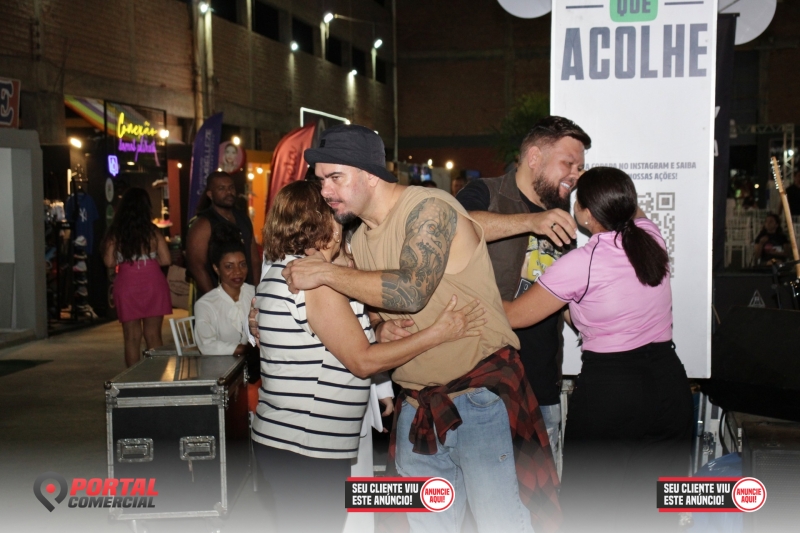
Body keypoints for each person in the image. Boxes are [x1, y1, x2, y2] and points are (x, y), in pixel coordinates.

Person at [281, 124, 561, 533]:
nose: (325, 191)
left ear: (370, 174)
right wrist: (379, 325)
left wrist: (325, 273)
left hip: (478, 398)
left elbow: (410, 289)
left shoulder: (429, 208)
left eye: (335, 177)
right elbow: (374, 304)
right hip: (417, 407)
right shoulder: (361, 239)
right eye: (321, 180)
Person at [253, 180, 486, 533]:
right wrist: (437, 333)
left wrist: (378, 331)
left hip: (284, 439)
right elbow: (362, 361)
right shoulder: (315, 283)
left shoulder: (278, 272)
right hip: (306, 445)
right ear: (328, 225)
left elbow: (321, 342)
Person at [503, 167, 693, 533]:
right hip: (669, 382)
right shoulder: (652, 238)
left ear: (586, 215)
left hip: (612, 390)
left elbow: (514, 316)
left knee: (591, 507)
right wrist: (609, 189)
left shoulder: (580, 262)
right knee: (654, 508)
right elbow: (632, 211)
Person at [456, 116, 591, 468]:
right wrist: (530, 222)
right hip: (482, 388)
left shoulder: (561, 215)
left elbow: (561, 298)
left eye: (579, 167)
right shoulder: (486, 192)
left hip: (542, 387)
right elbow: (454, 227)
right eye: (568, 163)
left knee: (540, 498)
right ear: (534, 158)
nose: (575, 174)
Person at [102, 188, 172, 367]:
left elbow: (109, 261)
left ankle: (134, 378)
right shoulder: (153, 232)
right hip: (153, 281)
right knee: (153, 335)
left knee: (132, 337)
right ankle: (157, 375)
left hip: (127, 282)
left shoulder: (116, 233)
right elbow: (166, 259)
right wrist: (150, 260)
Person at [187, 171, 260, 297]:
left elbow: (254, 260)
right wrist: (216, 299)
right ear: (210, 194)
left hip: (246, 295)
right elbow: (196, 266)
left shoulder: (243, 218)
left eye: (231, 187)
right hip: (215, 296)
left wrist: (256, 292)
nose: (229, 192)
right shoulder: (203, 223)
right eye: (222, 188)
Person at [194, 224, 255, 355]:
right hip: (221, 366)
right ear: (216, 268)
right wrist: (248, 351)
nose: (238, 271)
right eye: (229, 266)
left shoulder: (255, 294)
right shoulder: (206, 304)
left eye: (242, 264)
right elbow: (207, 345)